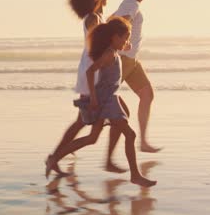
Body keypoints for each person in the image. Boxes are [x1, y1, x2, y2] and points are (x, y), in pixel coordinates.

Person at [46, 17, 156, 187]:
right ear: (114, 37)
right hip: (106, 100)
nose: (127, 41)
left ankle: (54, 159)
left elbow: (112, 54)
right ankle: (135, 175)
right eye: (125, 38)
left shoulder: (112, 50)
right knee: (130, 134)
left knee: (92, 138)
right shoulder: (109, 54)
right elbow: (90, 72)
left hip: (108, 98)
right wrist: (94, 98)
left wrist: (124, 45)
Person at [46, 0, 126, 177]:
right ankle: (55, 158)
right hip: (94, 76)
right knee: (86, 124)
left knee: (84, 123)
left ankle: (57, 157)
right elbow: (100, 42)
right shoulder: (92, 18)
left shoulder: (97, 17)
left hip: (96, 75)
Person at [112, 0, 161, 152]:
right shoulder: (130, 4)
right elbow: (122, 22)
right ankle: (74, 142)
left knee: (147, 94)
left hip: (132, 61)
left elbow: (113, 20)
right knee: (102, 104)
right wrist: (121, 43)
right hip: (123, 60)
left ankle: (144, 142)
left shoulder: (130, 4)